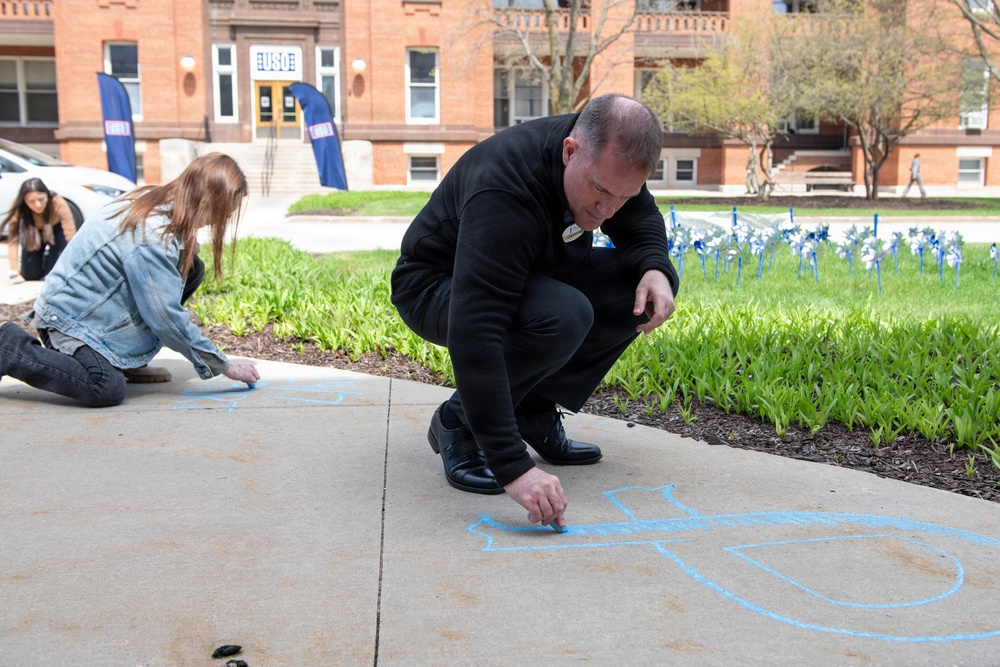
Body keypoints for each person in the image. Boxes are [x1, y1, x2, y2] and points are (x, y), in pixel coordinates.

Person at [391, 94, 679, 529]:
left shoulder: (607, 156)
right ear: (570, 151)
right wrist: (513, 467)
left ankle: (530, 408)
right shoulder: (505, 188)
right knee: (564, 314)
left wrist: (656, 266)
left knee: (636, 292)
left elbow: (639, 219)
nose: (607, 212)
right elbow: (476, 329)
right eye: (601, 192)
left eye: (623, 196)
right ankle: (457, 423)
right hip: (437, 285)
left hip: (527, 273)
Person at [0, 152, 260, 407]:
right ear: (205, 201)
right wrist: (221, 364)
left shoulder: (156, 198)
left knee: (192, 267)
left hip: (96, 309)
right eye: (221, 214)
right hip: (68, 320)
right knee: (104, 386)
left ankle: (125, 359)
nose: (218, 222)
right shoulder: (153, 234)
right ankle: (9, 347)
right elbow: (164, 315)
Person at [2, 178, 77, 282]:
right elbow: (13, 239)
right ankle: (44, 258)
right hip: (33, 231)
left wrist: (74, 259)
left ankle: (52, 258)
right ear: (24, 201)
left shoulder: (57, 201)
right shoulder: (19, 207)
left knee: (54, 273)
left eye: (41, 199)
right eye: (31, 202)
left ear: (46, 194)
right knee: (30, 275)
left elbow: (70, 232)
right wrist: (13, 269)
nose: (38, 205)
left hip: (56, 230)